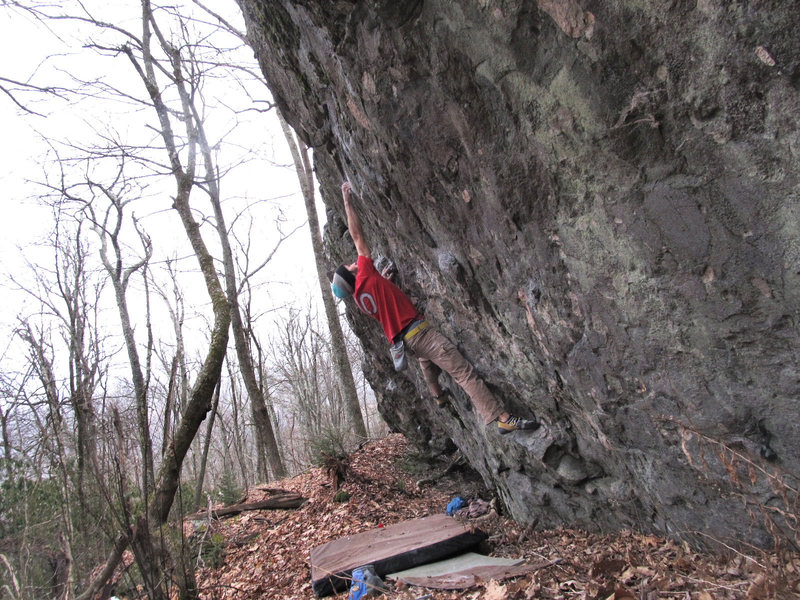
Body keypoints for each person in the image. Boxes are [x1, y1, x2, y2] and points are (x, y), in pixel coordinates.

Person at [332, 181, 538, 434]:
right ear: (352, 277)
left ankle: (437, 395)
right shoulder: (364, 275)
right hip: (420, 333)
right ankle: (501, 417)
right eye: (350, 268)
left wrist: (386, 281)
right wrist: (346, 200)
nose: (354, 263)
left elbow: (383, 302)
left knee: (425, 359)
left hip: (407, 340)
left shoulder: (361, 298)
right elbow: (357, 235)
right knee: (463, 372)